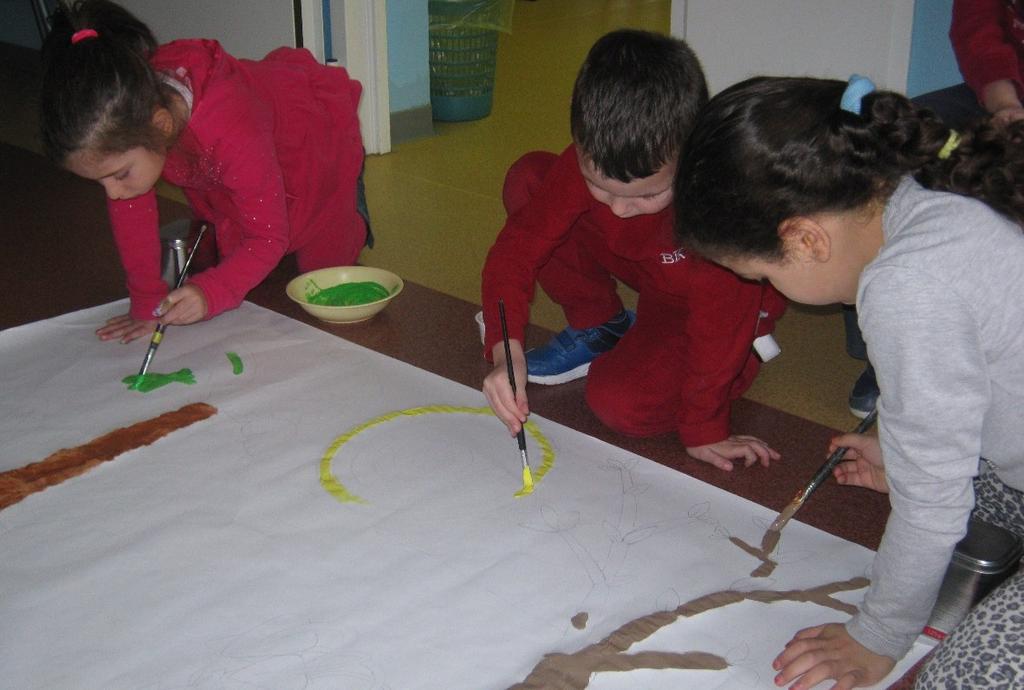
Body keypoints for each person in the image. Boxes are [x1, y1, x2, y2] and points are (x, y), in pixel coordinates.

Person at [674, 73, 1024, 688]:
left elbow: (933, 508)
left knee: (960, 681)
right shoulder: (934, 179)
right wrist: (904, 450)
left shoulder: (906, 287)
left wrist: (878, 636)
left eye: (760, 275)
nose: (763, 290)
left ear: (805, 239)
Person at [480, 29, 786, 472]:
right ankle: (599, 326)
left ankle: (744, 361)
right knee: (530, 179)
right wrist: (503, 349)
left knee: (619, 403)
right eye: (599, 187)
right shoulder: (597, 162)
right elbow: (516, 252)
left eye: (646, 196)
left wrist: (704, 427)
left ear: (690, 154)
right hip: (652, 269)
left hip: (710, 306)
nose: (621, 210)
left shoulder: (720, 210)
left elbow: (720, 327)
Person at [40, 0, 370, 344]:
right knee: (242, 246)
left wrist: (213, 292)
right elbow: (131, 212)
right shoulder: (134, 112)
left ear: (162, 125)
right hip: (233, 158)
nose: (113, 193)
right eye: (100, 181)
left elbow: (268, 238)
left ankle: (353, 213)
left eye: (119, 175)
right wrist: (145, 303)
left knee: (322, 275)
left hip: (313, 144)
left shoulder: (230, 125)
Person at [843, 0, 1024, 419]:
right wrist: (1004, 104)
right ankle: (887, 358)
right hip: (996, 89)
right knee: (883, 151)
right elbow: (977, 27)